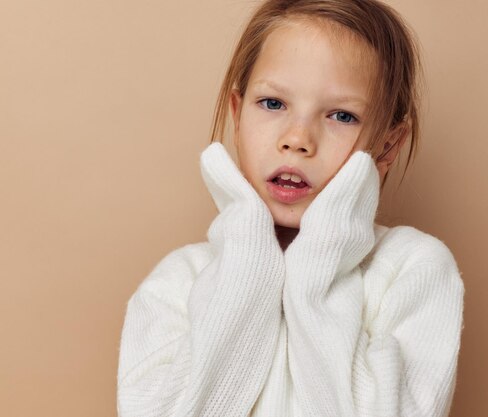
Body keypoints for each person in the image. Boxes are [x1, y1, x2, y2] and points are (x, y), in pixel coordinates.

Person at [116, 1, 465, 416]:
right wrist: (248, 257)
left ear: (387, 145)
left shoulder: (413, 270)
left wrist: (321, 259)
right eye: (273, 104)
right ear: (237, 115)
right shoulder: (177, 282)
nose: (298, 139)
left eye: (341, 115)